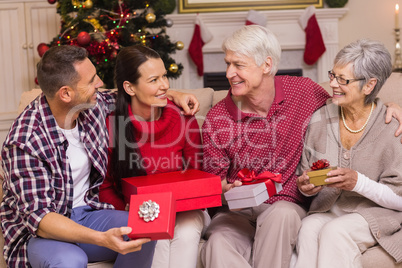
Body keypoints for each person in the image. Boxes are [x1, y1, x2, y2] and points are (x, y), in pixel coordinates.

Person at [200, 25, 402, 268]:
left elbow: (352, 101)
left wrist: (392, 106)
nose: (229, 73)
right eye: (227, 63)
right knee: (217, 243)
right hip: (236, 211)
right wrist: (227, 188)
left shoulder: (302, 92)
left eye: (238, 65)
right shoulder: (217, 118)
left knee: (282, 216)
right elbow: (212, 184)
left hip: (284, 205)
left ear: (266, 65)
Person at [0, 45, 200, 268]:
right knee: (70, 261)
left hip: (89, 213)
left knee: (146, 226)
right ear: (66, 93)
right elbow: (41, 220)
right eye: (92, 80)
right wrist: (101, 238)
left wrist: (173, 93)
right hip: (43, 232)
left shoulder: (91, 105)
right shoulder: (25, 140)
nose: (100, 84)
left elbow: (132, 92)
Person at [293, 39, 402, 267]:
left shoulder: (392, 126)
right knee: (307, 229)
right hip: (329, 208)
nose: (332, 83)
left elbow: (399, 199)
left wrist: (358, 182)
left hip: (378, 214)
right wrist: (307, 186)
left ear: (369, 85)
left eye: (343, 80)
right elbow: (305, 175)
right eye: (333, 75)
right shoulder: (320, 119)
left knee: (335, 232)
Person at [99, 45, 208, 268]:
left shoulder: (183, 118)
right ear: (129, 87)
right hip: (142, 213)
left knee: (185, 232)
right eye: (153, 80)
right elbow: (106, 186)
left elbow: (197, 175)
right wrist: (127, 214)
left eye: (165, 76)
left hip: (187, 211)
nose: (165, 86)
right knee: (154, 235)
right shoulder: (113, 124)